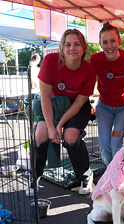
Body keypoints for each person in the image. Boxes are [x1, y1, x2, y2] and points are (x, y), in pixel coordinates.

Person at [26, 29, 97, 196]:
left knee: (71, 137)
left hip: (76, 107)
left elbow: (79, 102)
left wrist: (60, 125)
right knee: (41, 134)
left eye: (77, 44)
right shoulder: (50, 61)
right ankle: (35, 175)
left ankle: (85, 175)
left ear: (84, 48)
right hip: (53, 104)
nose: (72, 48)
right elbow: (44, 96)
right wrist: (51, 127)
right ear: (62, 48)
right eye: (68, 44)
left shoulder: (89, 70)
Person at [90, 22, 124, 166]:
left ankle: (119, 170)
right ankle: (110, 171)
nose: (109, 46)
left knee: (115, 143)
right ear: (100, 44)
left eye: (113, 41)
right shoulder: (95, 59)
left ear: (119, 41)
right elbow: (88, 81)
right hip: (104, 107)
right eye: (105, 42)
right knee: (103, 144)